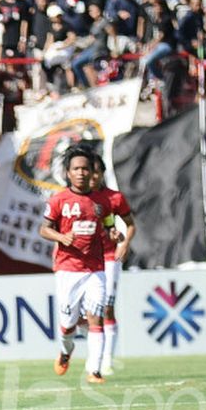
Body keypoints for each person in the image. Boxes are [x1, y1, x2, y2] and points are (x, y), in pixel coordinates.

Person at [40, 145, 116, 384]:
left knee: (97, 317)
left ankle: (94, 370)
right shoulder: (58, 200)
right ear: (68, 172)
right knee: (67, 326)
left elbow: (108, 221)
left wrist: (113, 232)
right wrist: (61, 237)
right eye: (76, 169)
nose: (82, 173)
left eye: (85, 168)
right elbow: (44, 228)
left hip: (95, 269)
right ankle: (66, 351)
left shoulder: (102, 200)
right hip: (67, 270)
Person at [89, 154, 135, 377]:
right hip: (85, 261)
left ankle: (106, 360)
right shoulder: (79, 199)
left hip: (109, 257)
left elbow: (130, 225)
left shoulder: (114, 198)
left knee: (106, 307)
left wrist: (123, 245)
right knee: (87, 309)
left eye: (96, 171)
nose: (92, 176)